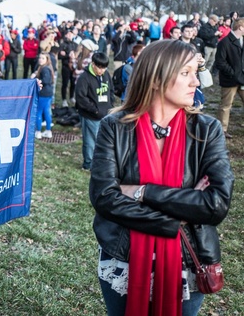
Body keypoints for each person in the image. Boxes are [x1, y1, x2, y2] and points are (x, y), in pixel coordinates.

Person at [90, 39, 233, 315]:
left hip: (187, 259)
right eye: (185, 73)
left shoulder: (207, 130)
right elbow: (105, 198)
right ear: (156, 79)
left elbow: (215, 205)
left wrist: (141, 192)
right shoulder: (114, 128)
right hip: (125, 257)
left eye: (196, 72)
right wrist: (176, 216)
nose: (196, 82)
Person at [75, 52, 113, 171]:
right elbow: (81, 98)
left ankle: (99, 161)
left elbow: (111, 91)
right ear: (93, 64)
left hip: (105, 113)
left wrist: (110, 106)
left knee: (102, 140)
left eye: (104, 67)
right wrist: (94, 110)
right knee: (90, 140)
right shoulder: (84, 78)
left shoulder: (106, 75)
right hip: (90, 115)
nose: (102, 70)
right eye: (99, 67)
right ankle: (88, 163)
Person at [215, 17, 244, 139]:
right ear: (241, 28)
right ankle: (222, 130)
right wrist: (232, 73)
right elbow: (220, 62)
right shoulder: (224, 42)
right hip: (230, 80)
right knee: (226, 105)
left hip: (242, 78)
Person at [32, 52, 54, 139]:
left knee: (39, 112)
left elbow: (46, 80)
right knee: (47, 111)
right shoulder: (46, 68)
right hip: (48, 93)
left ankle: (38, 132)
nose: (40, 59)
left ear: (47, 60)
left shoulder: (45, 69)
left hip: (43, 93)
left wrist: (35, 78)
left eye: (43, 58)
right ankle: (48, 131)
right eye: (40, 58)